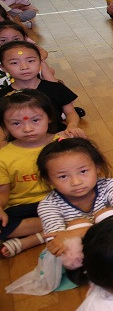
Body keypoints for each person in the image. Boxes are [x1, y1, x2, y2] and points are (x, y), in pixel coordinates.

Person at [0, 90, 83, 258]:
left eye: (36, 120)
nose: (28, 128)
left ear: (50, 117)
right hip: (24, 208)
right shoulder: (3, 157)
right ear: (4, 125)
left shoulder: (63, 144)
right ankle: (69, 225)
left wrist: (82, 146)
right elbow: (3, 194)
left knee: (100, 208)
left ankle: (35, 239)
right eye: (16, 123)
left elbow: (84, 175)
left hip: (62, 201)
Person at [36, 138, 113, 260]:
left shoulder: (109, 185)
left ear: (97, 167)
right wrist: (78, 231)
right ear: (48, 179)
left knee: (106, 213)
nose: (76, 182)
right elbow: (57, 244)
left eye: (83, 171)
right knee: (77, 223)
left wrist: (78, 232)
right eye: (63, 176)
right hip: (82, 258)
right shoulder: (48, 205)